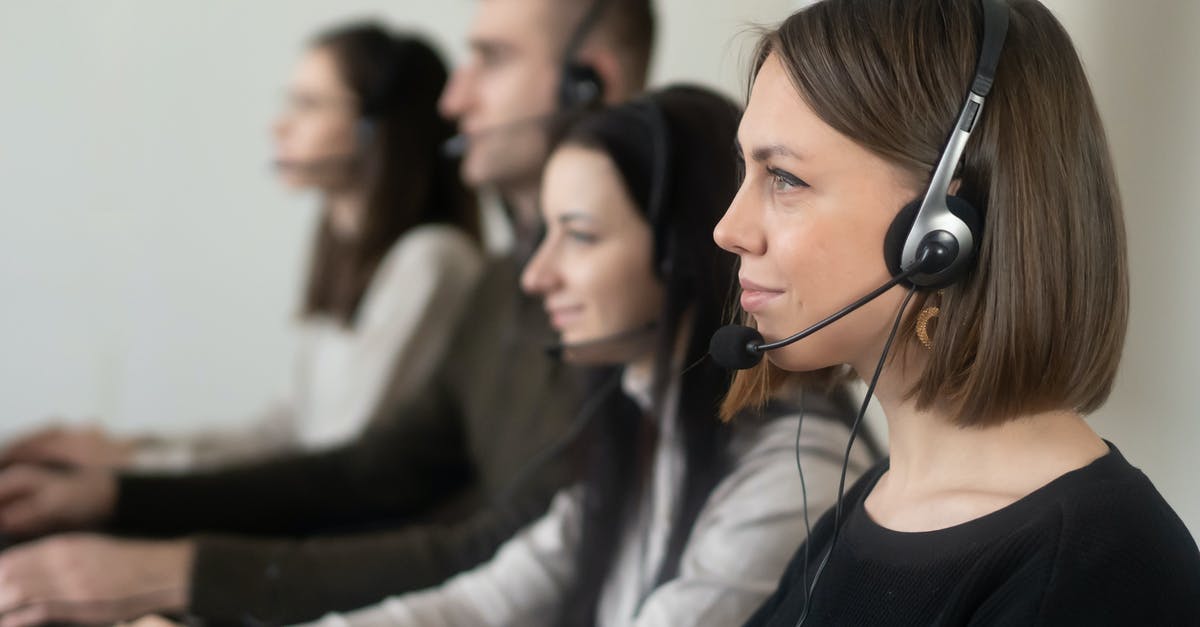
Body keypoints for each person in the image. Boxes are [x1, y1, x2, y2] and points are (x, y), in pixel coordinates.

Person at [0, 1, 657, 626]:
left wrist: (172, 567)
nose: (453, 101)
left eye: (492, 59)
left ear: (587, 83)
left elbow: (491, 554)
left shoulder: (617, 307)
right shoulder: (495, 284)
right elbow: (364, 471)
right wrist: (118, 492)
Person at [304, 85, 874, 627]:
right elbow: (478, 606)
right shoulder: (642, 436)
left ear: (681, 253)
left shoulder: (792, 472)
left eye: (579, 237)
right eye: (543, 235)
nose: (536, 276)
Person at [712, 0, 1200, 625]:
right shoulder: (873, 504)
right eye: (746, 170)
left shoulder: (1096, 574)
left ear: (938, 233)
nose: (729, 229)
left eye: (784, 178)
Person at [0, 23, 483, 471]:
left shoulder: (433, 260)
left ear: (375, 129)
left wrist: (130, 478)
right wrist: (129, 453)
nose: (280, 126)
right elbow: (285, 430)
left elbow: (337, 459)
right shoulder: (343, 252)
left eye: (308, 105)